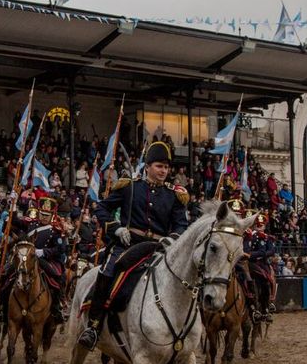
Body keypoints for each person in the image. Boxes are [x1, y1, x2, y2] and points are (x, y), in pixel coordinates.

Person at [77, 141, 189, 350]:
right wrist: (116, 228)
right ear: (147, 166)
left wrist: (172, 238)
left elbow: (181, 224)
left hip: (159, 248)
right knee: (108, 271)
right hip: (129, 244)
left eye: (166, 167)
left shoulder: (174, 195)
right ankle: (93, 326)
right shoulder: (130, 187)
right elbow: (101, 209)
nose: (163, 171)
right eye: (159, 166)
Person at [26, 197, 69, 324]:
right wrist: (12, 204)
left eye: (47, 215)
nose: (44, 217)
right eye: (42, 214)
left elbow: (60, 249)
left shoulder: (56, 230)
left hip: (47, 260)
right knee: (8, 272)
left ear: (52, 215)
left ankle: (57, 306)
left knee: (57, 277)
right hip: (27, 258)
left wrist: (43, 252)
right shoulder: (32, 225)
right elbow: (14, 223)